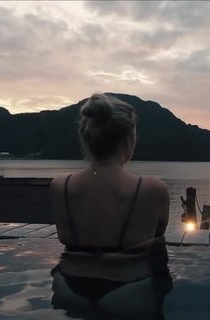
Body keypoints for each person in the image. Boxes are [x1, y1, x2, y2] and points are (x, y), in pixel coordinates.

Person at [49, 93, 171, 301]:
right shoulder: (153, 189)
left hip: (68, 287)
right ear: (129, 139)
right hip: (130, 288)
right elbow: (157, 242)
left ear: (85, 137)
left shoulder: (60, 186)